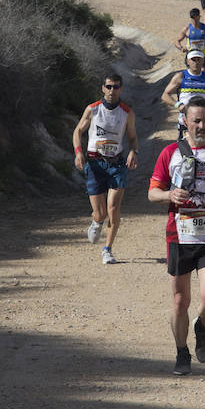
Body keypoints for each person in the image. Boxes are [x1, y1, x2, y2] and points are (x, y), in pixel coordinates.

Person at [148, 96, 205, 375]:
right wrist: (168, 194)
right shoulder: (170, 153)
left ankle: (202, 326)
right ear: (185, 122)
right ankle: (181, 352)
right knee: (180, 301)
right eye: (196, 120)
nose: (201, 126)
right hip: (179, 236)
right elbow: (152, 193)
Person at [72, 73, 139, 265]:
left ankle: (107, 249)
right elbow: (78, 131)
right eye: (108, 87)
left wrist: (134, 151)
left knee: (113, 207)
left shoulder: (127, 113)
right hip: (94, 164)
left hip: (117, 164)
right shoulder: (93, 109)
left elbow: (133, 137)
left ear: (121, 89)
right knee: (100, 213)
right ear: (102, 88)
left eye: (116, 87)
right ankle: (97, 221)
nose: (112, 90)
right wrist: (78, 153)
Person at [161, 50, 205, 139]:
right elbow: (165, 95)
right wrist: (178, 105)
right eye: (193, 59)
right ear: (187, 61)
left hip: (204, 121)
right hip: (186, 121)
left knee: (204, 148)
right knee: (185, 149)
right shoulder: (181, 76)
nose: (196, 62)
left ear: (203, 61)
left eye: (199, 59)